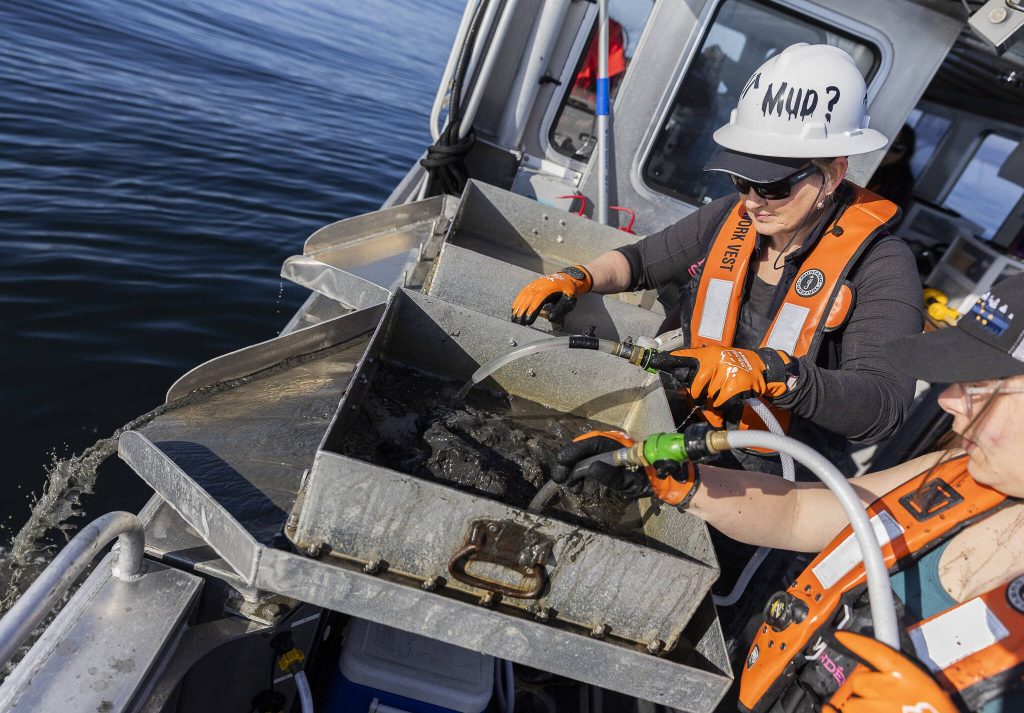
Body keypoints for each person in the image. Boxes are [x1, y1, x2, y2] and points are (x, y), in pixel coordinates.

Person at [557, 273, 1024, 712]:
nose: (946, 400)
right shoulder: (957, 474)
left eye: (981, 387)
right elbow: (800, 511)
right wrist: (677, 479)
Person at [510, 43, 923, 477]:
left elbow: (884, 406)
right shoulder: (732, 215)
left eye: (773, 185)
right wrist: (577, 277)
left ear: (833, 176)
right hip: (683, 429)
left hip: (772, 477)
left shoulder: (883, 267)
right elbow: (642, 261)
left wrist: (775, 373)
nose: (753, 200)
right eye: (742, 179)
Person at [867, 123, 917, 211]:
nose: (887, 151)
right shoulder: (856, 158)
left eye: (897, 147)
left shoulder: (903, 181)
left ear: (906, 152)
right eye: (885, 143)